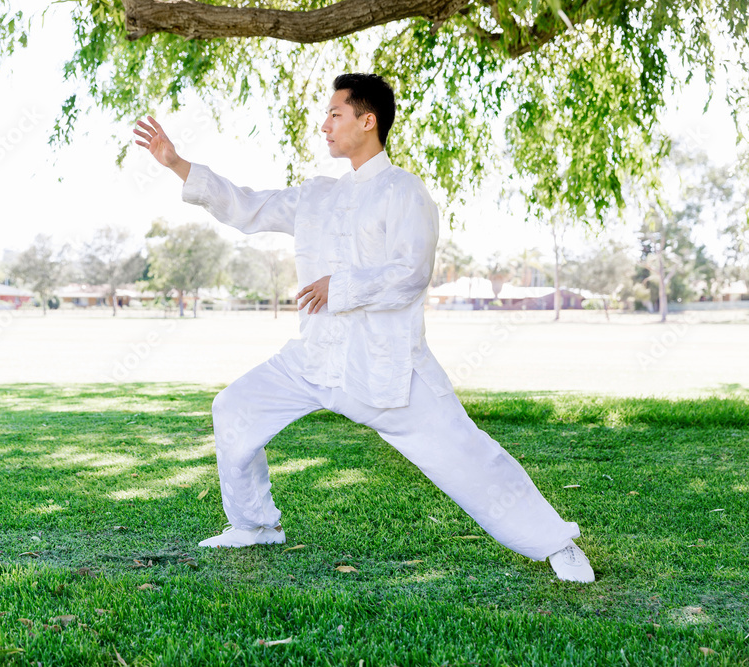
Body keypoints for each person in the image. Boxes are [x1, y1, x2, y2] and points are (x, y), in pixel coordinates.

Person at [132, 73, 595, 583]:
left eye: (335, 114)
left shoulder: (405, 192)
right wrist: (177, 164)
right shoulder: (316, 196)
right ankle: (255, 525)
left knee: (465, 452)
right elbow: (248, 206)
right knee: (234, 408)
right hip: (312, 359)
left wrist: (341, 286)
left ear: (367, 120)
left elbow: (412, 272)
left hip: (386, 368)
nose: (324, 125)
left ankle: (557, 543)